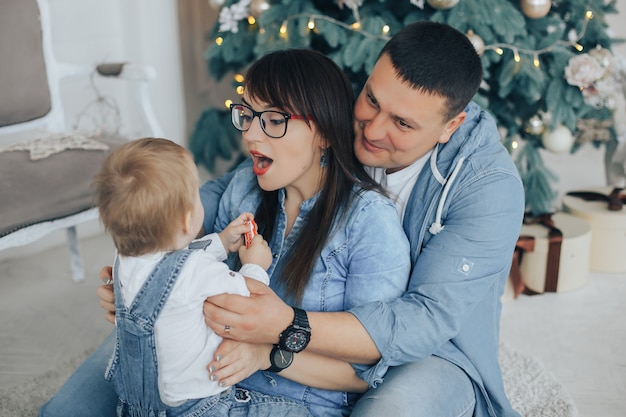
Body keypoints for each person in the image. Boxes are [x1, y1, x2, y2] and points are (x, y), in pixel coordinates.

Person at [39, 49, 411, 417]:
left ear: (325, 133)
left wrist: (266, 355)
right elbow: (179, 246)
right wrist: (137, 285)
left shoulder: (369, 222)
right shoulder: (246, 186)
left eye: (274, 119)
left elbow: (365, 372)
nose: (250, 133)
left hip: (296, 402)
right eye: (247, 114)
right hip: (202, 388)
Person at [198, 21, 525, 417]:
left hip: (436, 352)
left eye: (402, 124)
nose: (372, 129)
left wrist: (283, 330)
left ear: (449, 127)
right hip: (297, 340)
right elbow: (220, 194)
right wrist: (147, 257)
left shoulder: (488, 188)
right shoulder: (339, 126)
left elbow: (422, 322)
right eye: (371, 99)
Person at [91, 137, 313, 416]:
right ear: (187, 220)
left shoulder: (124, 259)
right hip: (200, 407)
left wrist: (220, 242)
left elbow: (174, 262)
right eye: (196, 195)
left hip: (136, 404)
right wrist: (255, 265)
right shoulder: (199, 272)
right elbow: (246, 301)